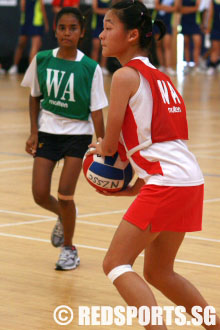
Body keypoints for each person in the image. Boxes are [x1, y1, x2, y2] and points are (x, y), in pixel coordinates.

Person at [88, 1, 220, 328]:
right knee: (160, 273)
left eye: (108, 27)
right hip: (188, 179)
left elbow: (110, 141)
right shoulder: (161, 77)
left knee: (115, 263)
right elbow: (160, 141)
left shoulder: (124, 76)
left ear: (132, 35)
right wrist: (135, 185)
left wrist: (95, 152)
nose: (101, 34)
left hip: (168, 182)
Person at [21, 7, 107, 271]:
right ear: (55, 30)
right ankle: (65, 215)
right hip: (48, 132)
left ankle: (69, 249)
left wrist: (102, 144)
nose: (67, 33)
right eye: (62, 28)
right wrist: (34, 131)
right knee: (39, 194)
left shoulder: (90, 67)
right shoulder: (42, 59)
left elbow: (96, 110)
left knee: (65, 194)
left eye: (73, 28)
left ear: (81, 33)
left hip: (77, 136)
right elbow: (34, 96)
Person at [8, 0, 49, 75]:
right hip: (29, 22)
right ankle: (16, 66)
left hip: (35, 22)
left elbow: (41, 8)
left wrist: (45, 23)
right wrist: (46, 23)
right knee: (23, 44)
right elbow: (23, 7)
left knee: (33, 46)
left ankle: (29, 69)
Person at [154, 0, 179, 75]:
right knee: (158, 44)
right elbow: (156, 6)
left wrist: (162, 7)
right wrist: (169, 8)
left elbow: (176, 8)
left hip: (168, 23)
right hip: (158, 21)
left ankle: (168, 67)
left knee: (167, 45)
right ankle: (162, 66)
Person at [179, 0, 202, 73]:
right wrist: (193, 9)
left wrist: (186, 9)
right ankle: (187, 64)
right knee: (186, 44)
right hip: (185, 21)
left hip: (195, 22)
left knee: (197, 44)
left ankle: (196, 65)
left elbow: (198, 8)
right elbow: (180, 9)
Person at [91, 0, 111, 75]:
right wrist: (105, 11)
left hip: (107, 26)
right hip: (97, 26)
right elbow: (95, 9)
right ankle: (93, 67)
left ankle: (103, 66)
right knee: (96, 46)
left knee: (106, 46)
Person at [205, 0, 220, 75]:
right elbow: (210, 14)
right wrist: (207, 28)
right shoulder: (213, 2)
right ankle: (212, 66)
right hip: (216, 28)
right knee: (215, 48)